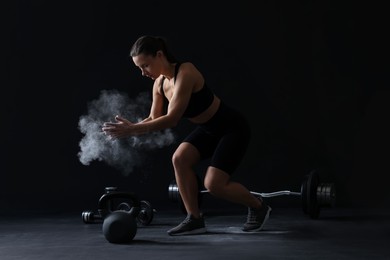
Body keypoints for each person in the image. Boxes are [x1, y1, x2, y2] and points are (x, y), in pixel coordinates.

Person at [102, 35, 272, 236]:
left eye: (145, 65)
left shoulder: (186, 72)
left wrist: (132, 130)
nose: (143, 72)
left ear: (159, 55)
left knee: (214, 184)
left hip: (232, 128)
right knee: (179, 159)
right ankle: (195, 218)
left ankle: (259, 207)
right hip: (209, 129)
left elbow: (172, 119)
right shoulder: (159, 84)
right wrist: (133, 126)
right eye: (139, 68)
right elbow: (154, 117)